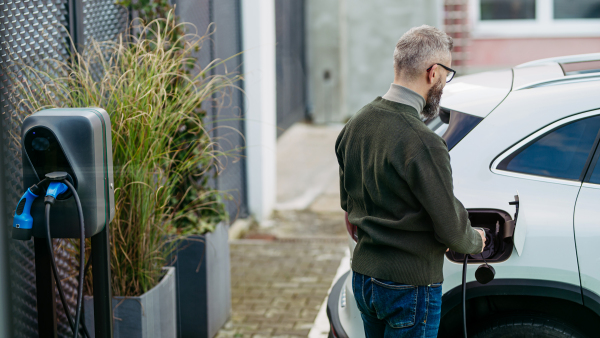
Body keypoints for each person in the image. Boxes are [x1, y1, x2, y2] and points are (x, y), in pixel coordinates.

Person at [335, 25, 486, 338]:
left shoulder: (356, 123)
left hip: (364, 278)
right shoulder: (422, 141)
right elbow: (452, 231)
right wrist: (477, 240)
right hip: (409, 287)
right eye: (447, 75)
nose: (444, 83)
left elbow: (349, 208)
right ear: (433, 72)